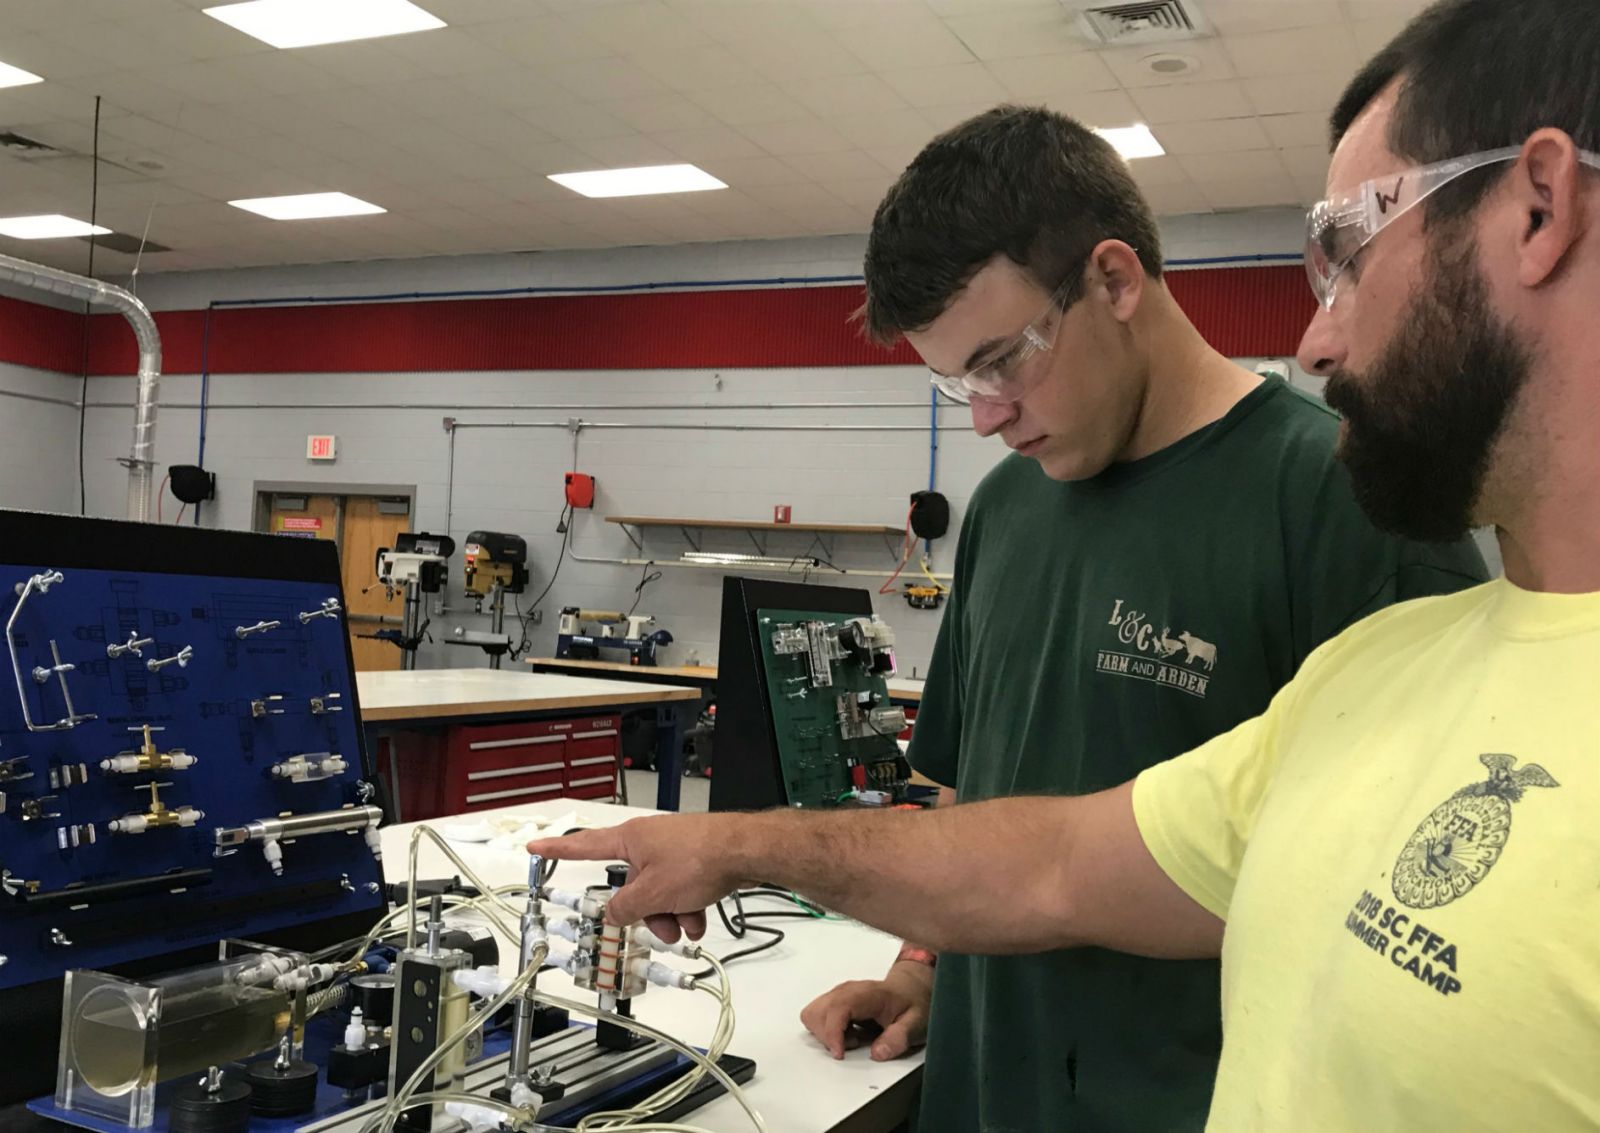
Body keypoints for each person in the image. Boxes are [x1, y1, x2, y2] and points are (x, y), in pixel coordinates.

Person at [532, 0, 1600, 1127]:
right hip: (990, 1086)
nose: (987, 415)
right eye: (957, 385)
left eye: (1003, 360)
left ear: (1115, 280)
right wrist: (911, 963)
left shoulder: (1341, 493)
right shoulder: (1014, 513)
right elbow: (1001, 823)